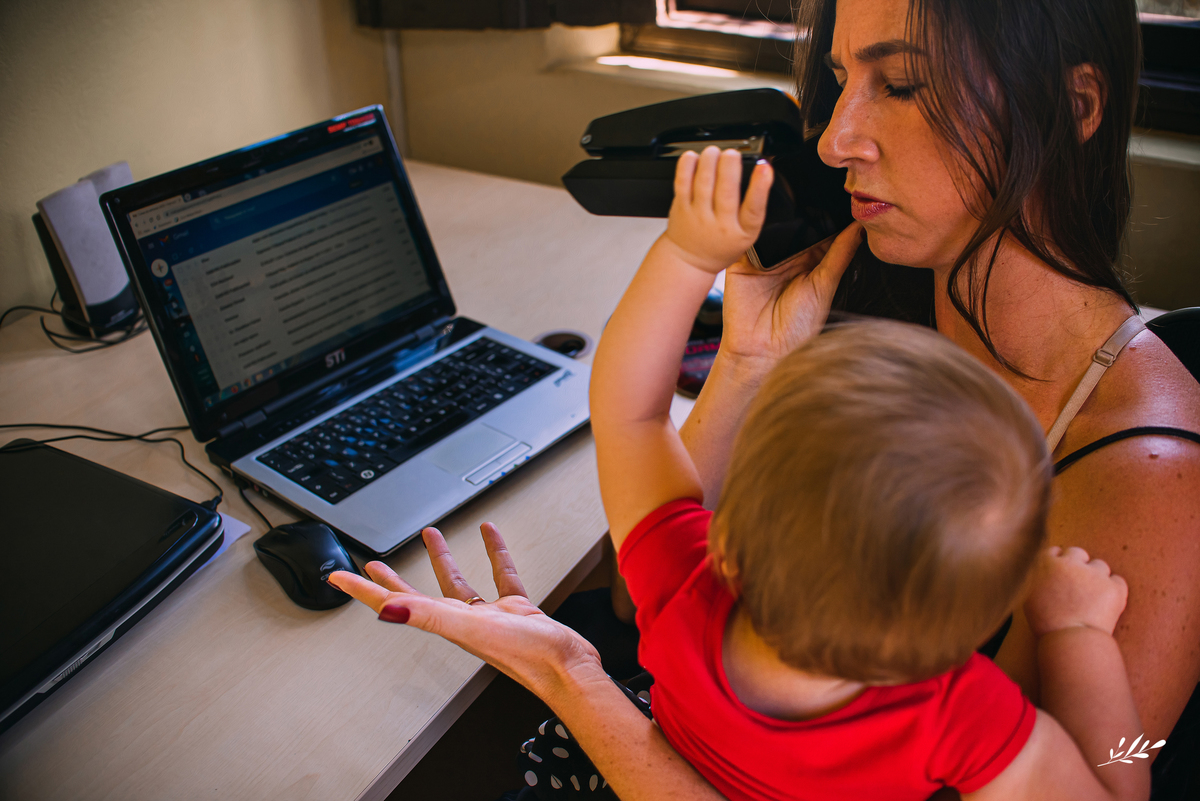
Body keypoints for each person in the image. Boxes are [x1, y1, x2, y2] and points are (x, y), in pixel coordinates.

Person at [333, 149, 1151, 800]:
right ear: (979, 615)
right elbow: (1117, 776)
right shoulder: (960, 713)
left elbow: (629, 409)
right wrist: (1076, 635)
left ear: (729, 533)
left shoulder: (686, 587)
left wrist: (687, 255)